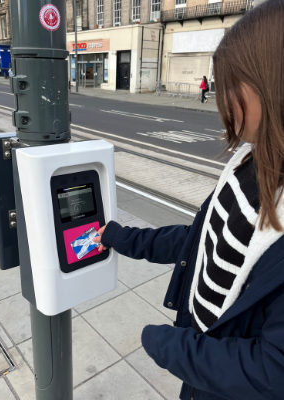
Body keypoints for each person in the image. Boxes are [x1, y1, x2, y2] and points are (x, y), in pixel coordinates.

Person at [93, 1, 284, 398]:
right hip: (202, 364)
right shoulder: (249, 162)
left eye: (231, 85)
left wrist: (171, 347)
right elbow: (201, 241)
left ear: (271, 86)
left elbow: (272, 370)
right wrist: (119, 237)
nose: (220, 100)